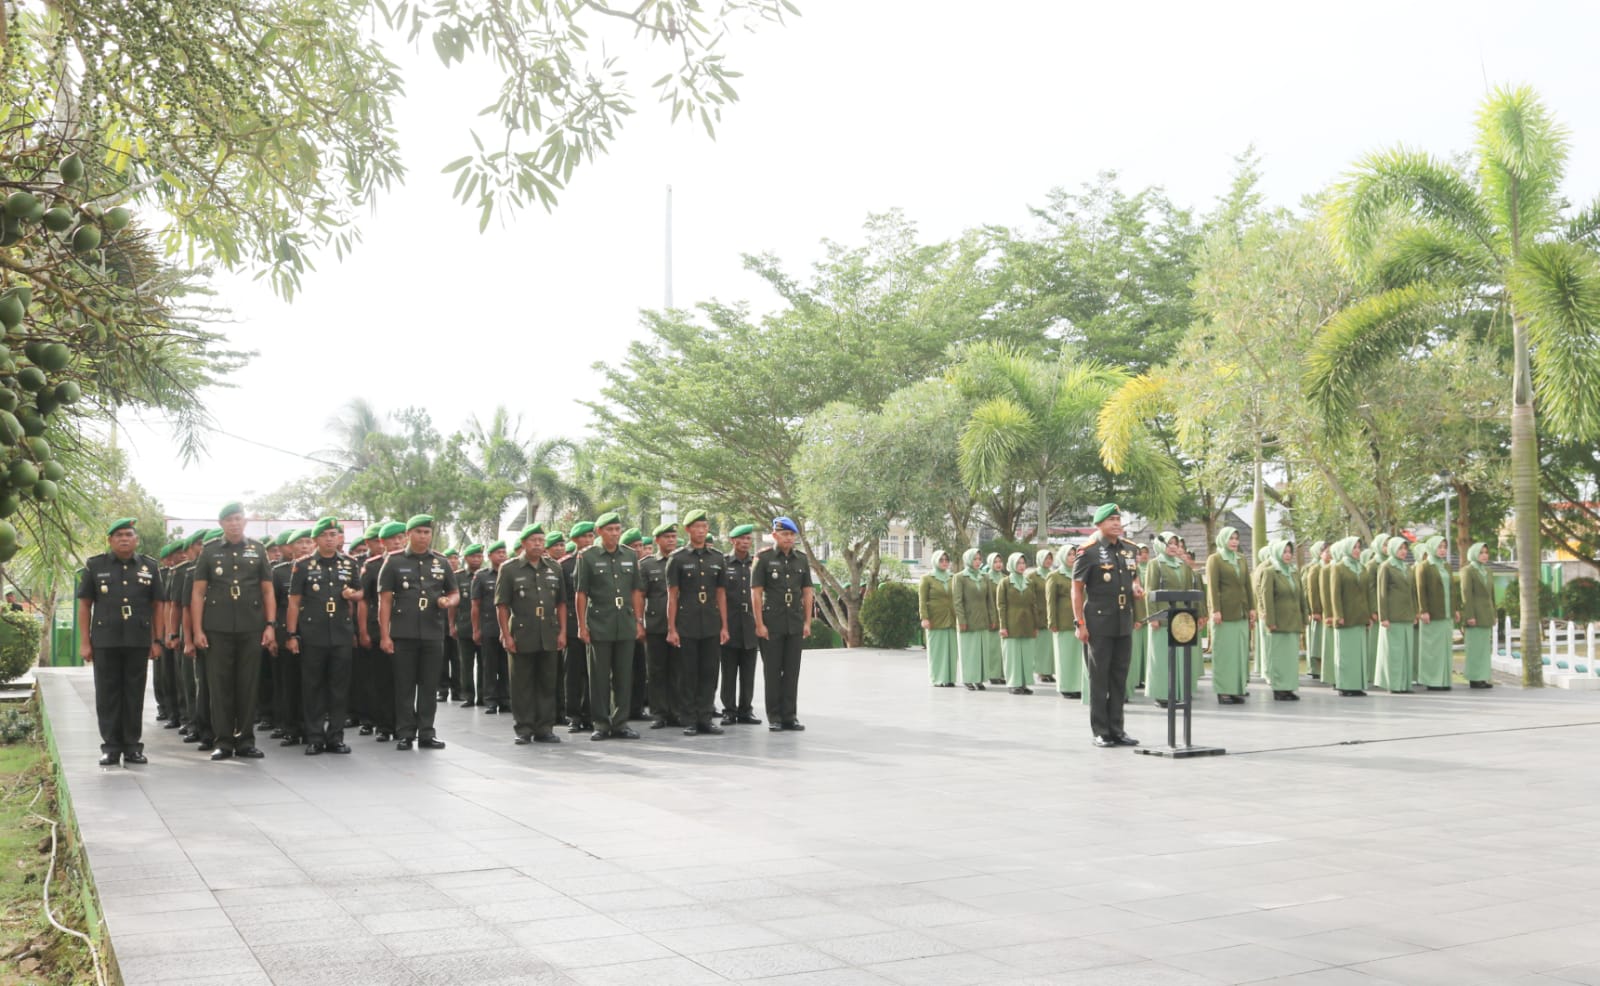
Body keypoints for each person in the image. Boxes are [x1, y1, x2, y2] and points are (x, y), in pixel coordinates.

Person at [191, 503, 276, 761]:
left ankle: (246, 741)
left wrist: (270, 625)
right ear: (221, 524)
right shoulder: (209, 551)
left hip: (252, 626)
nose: (234, 524)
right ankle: (224, 741)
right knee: (220, 686)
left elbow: (267, 590)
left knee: (248, 685)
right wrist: (197, 630)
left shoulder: (258, 550)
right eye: (229, 520)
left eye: (238, 519)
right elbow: (198, 593)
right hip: (218, 627)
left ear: (245, 521)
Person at [77, 518, 165, 766]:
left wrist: (156, 639)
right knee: (107, 694)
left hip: (138, 640)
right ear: (110, 540)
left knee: (134, 694)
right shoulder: (96, 566)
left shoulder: (149, 566)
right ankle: (111, 747)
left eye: (128, 534)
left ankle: (133, 747)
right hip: (106, 640)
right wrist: (85, 642)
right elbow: (85, 606)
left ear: (136, 539)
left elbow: (158, 605)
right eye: (118, 535)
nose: (124, 539)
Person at [378, 514, 460, 750]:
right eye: (419, 532)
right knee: (404, 685)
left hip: (433, 632)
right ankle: (404, 732)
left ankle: (426, 732)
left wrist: (448, 601)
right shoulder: (393, 562)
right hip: (403, 633)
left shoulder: (441, 562)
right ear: (408, 535)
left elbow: (454, 592)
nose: (423, 536)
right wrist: (385, 635)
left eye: (427, 532)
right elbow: (384, 602)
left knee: (429, 685)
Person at [286, 517, 359, 754]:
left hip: (341, 632)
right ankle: (315, 736)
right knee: (313, 686)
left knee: (339, 687)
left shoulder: (349, 564)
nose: (330, 539)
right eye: (325, 535)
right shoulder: (303, 565)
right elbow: (294, 603)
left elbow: (359, 593)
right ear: (317, 539)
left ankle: (335, 736)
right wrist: (291, 634)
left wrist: (353, 594)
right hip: (313, 633)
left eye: (334, 534)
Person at [1072, 504, 1142, 747]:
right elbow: (1077, 589)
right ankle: (1100, 731)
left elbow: (1134, 576)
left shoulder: (1129, 550)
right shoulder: (1088, 551)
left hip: (1123, 620)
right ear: (1099, 524)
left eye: (1118, 519)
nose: (1117, 523)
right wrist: (1079, 623)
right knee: (1099, 677)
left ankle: (1117, 729)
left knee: (1119, 677)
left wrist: (1136, 586)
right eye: (1111, 519)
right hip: (1098, 621)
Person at [575, 512, 644, 740]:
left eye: (617, 529)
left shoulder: (630, 555)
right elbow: (581, 593)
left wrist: (638, 621)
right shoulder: (588, 556)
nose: (614, 533)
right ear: (599, 532)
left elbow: (636, 590)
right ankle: (601, 723)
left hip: (624, 622)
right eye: (609, 529)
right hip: (599, 622)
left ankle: (621, 723)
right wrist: (582, 625)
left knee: (624, 676)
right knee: (599, 676)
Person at [495, 523, 566, 744]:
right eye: (533, 540)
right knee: (522, 683)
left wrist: (563, 631)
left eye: (541, 540)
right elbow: (502, 605)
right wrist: (505, 634)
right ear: (524, 543)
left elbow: (562, 603)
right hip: (522, 632)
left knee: (547, 682)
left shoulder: (554, 568)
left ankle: (545, 728)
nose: (538, 544)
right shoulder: (509, 568)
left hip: (549, 632)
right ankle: (524, 728)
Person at [666, 509, 728, 735]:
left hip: (711, 622)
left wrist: (724, 626)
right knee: (688, 673)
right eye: (697, 527)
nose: (701, 531)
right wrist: (672, 628)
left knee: (710, 672)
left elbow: (721, 594)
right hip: (687, 622)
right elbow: (673, 595)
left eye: (704, 526)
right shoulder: (678, 558)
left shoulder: (717, 558)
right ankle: (689, 718)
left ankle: (705, 717)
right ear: (688, 530)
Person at [753, 516, 813, 731]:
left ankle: (790, 715)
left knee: (791, 671)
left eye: (791, 534)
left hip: (794, 622)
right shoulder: (764, 558)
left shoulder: (801, 559)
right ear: (775, 535)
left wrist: (807, 621)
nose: (789, 538)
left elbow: (807, 592)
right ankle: (775, 716)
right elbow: (756, 594)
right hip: (772, 622)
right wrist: (759, 624)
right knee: (772, 671)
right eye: (785, 534)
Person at [358, 522, 404, 741]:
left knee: (404, 680)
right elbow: (364, 601)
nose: (397, 542)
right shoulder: (373, 565)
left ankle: (404, 725)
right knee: (382, 680)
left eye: (400, 537)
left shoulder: (412, 563)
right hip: (380, 630)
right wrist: (364, 631)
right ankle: (384, 726)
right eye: (393, 539)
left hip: (406, 629)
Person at [1144, 532, 1198, 708]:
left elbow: (1189, 590)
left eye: (1176, 543)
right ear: (1161, 545)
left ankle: (1178, 691)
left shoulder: (1183, 565)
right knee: (1162, 657)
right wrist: (1153, 616)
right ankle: (1162, 694)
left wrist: (1192, 613)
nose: (1173, 546)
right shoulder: (1155, 564)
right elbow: (1149, 591)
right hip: (1162, 617)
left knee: (1179, 657)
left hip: (1181, 616)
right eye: (1169, 543)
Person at [719, 524, 762, 724]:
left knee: (748, 672)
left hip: (750, 624)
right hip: (730, 623)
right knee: (728, 672)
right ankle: (728, 710)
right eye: (741, 539)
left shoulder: (755, 563)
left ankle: (746, 710)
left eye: (748, 539)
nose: (745, 542)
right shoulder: (723, 562)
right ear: (732, 541)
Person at [1205, 526, 1253, 704]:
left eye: (1236, 538)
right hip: (1223, 614)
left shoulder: (1241, 559)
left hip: (1241, 613)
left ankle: (1236, 688)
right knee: (1225, 653)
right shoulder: (1215, 559)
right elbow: (1212, 587)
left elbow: (1247, 585)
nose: (1234, 542)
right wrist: (1215, 610)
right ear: (1223, 539)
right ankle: (1224, 691)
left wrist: (1252, 608)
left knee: (1239, 653)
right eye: (1231, 538)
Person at [640, 522, 680, 728]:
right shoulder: (647, 565)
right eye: (666, 537)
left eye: (673, 537)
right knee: (656, 670)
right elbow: (639, 596)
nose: (671, 540)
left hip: (681, 624)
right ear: (657, 541)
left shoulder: (682, 560)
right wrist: (639, 622)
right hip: (656, 624)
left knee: (679, 670)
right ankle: (659, 712)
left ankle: (677, 711)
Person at [1259, 539, 1307, 700]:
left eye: (1289, 552)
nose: (1287, 555)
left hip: (1293, 621)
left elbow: (1301, 596)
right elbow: (1267, 598)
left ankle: (1289, 687)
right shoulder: (1270, 572)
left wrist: (1304, 618)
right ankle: (1279, 688)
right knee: (1279, 657)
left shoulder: (1293, 572)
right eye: (1284, 552)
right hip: (1278, 622)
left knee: (1291, 657)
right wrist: (1270, 621)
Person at [561, 521, 597, 733]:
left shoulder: (598, 560)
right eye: (584, 537)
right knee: (573, 673)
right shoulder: (565, 565)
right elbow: (562, 601)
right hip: (574, 624)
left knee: (594, 673)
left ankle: (590, 714)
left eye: (591, 536)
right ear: (575, 540)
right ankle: (573, 715)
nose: (589, 540)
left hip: (596, 623)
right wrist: (564, 629)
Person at [1327, 536, 1370, 697]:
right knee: (1346, 653)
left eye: (1359, 547)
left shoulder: (1362, 568)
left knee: (1358, 653)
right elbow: (1335, 594)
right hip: (1346, 616)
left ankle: (1357, 684)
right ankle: (1345, 685)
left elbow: (1366, 594)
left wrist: (1368, 615)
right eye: (1354, 547)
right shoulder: (1338, 568)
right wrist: (1338, 615)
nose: (1357, 550)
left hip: (1359, 616)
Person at [1375, 536, 1417, 694]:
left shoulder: (1407, 568)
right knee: (1394, 652)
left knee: (1406, 651)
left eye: (1405, 548)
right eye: (1400, 548)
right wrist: (1383, 616)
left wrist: (1415, 612)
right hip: (1392, 616)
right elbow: (1382, 593)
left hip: (1407, 616)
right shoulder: (1386, 566)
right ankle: (1393, 684)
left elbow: (1413, 592)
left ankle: (1405, 684)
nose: (1403, 552)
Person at [472, 540, 510, 714]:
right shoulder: (481, 576)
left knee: (506, 666)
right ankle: (490, 700)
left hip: (509, 627)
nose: (502, 555)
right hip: (489, 627)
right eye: (498, 553)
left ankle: (506, 699)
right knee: (489, 665)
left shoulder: (511, 573)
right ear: (490, 556)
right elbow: (476, 605)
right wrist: (476, 629)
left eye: (504, 552)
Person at [1414, 535, 1454, 691]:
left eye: (1445, 547)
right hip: (1431, 614)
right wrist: (1423, 610)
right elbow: (1420, 590)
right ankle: (1432, 680)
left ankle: (1444, 680)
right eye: (1440, 547)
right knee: (1432, 649)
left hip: (1446, 613)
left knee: (1444, 648)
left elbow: (1452, 590)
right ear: (1431, 547)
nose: (1443, 550)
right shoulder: (1424, 566)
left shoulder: (1447, 566)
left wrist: (1455, 609)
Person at [996, 552, 1037, 695]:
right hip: (1011, 623)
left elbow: (1033, 605)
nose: (1021, 566)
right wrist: (1003, 626)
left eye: (1023, 563)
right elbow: (1001, 606)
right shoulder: (1005, 582)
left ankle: (1024, 683)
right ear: (1012, 564)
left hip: (1027, 623)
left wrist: (1035, 625)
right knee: (1012, 655)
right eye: (1018, 563)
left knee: (1026, 654)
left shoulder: (1029, 582)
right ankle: (1013, 683)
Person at [951, 548, 991, 692]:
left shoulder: (984, 577)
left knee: (981, 651)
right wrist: (961, 620)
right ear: (968, 560)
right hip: (968, 620)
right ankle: (968, 679)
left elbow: (989, 600)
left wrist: (992, 618)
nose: (977, 562)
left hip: (983, 619)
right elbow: (957, 601)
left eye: (979, 559)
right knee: (968, 651)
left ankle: (979, 679)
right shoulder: (960, 577)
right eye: (974, 559)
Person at [1046, 546, 1082, 699]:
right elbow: (1050, 602)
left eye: (1074, 554)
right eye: (1069, 554)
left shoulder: (1079, 575)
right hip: (1062, 622)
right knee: (1064, 656)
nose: (1072, 557)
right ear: (1061, 556)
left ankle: (1078, 685)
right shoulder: (1054, 576)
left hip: (1079, 621)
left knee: (1078, 656)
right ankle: (1065, 686)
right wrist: (1052, 622)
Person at [918, 550, 957, 687]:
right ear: (935, 561)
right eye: (941, 560)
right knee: (937, 650)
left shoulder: (953, 577)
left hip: (952, 618)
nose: (945, 563)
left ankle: (950, 678)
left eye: (946, 560)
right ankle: (938, 678)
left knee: (952, 649)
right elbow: (922, 600)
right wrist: (924, 617)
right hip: (935, 618)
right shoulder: (927, 578)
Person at [1460, 541, 1496, 689]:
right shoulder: (1468, 570)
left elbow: (1492, 595)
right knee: (1474, 648)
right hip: (1474, 615)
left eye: (1486, 552)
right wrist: (1469, 616)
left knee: (1484, 649)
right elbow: (1466, 595)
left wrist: (1494, 613)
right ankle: (1474, 679)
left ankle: (1482, 677)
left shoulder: (1487, 571)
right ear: (1474, 553)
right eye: (1481, 552)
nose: (1484, 555)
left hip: (1486, 614)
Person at [454, 544, 485, 706]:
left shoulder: (486, 576)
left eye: (479, 556)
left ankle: (482, 696)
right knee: (465, 663)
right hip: (465, 626)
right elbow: (453, 605)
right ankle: (467, 695)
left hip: (484, 626)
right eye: (473, 556)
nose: (477, 559)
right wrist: (451, 625)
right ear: (466, 558)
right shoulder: (458, 577)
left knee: (484, 664)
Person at [1128, 544, 1150, 699]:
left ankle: (1127, 689)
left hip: (1136, 616)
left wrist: (1138, 618)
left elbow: (1136, 596)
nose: (1139, 557)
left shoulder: (1133, 570)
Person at [1030, 549, 1054, 684]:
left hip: (1051, 615)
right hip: (1039, 615)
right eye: (1046, 558)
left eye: (1050, 558)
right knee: (1040, 647)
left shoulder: (1053, 574)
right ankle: (1041, 672)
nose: (1048, 561)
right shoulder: (1033, 576)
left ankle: (1049, 671)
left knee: (1050, 647)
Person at [1304, 540, 1327, 679]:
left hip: (1325, 610)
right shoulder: (1312, 568)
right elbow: (1309, 591)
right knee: (1315, 641)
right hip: (1316, 611)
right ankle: (1314, 668)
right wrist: (1312, 610)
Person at [1361, 544, 1383, 684]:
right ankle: (1371, 674)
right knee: (1373, 644)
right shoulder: (1372, 565)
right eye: (1384, 544)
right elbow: (1370, 590)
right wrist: (1374, 610)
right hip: (1377, 611)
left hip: (1388, 609)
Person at [984, 551, 1006, 685]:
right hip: (991, 617)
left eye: (1000, 561)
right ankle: (993, 674)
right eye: (995, 562)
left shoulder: (1005, 578)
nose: (998, 564)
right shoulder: (986, 578)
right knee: (993, 647)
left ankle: (1002, 673)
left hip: (1004, 617)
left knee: (1003, 648)